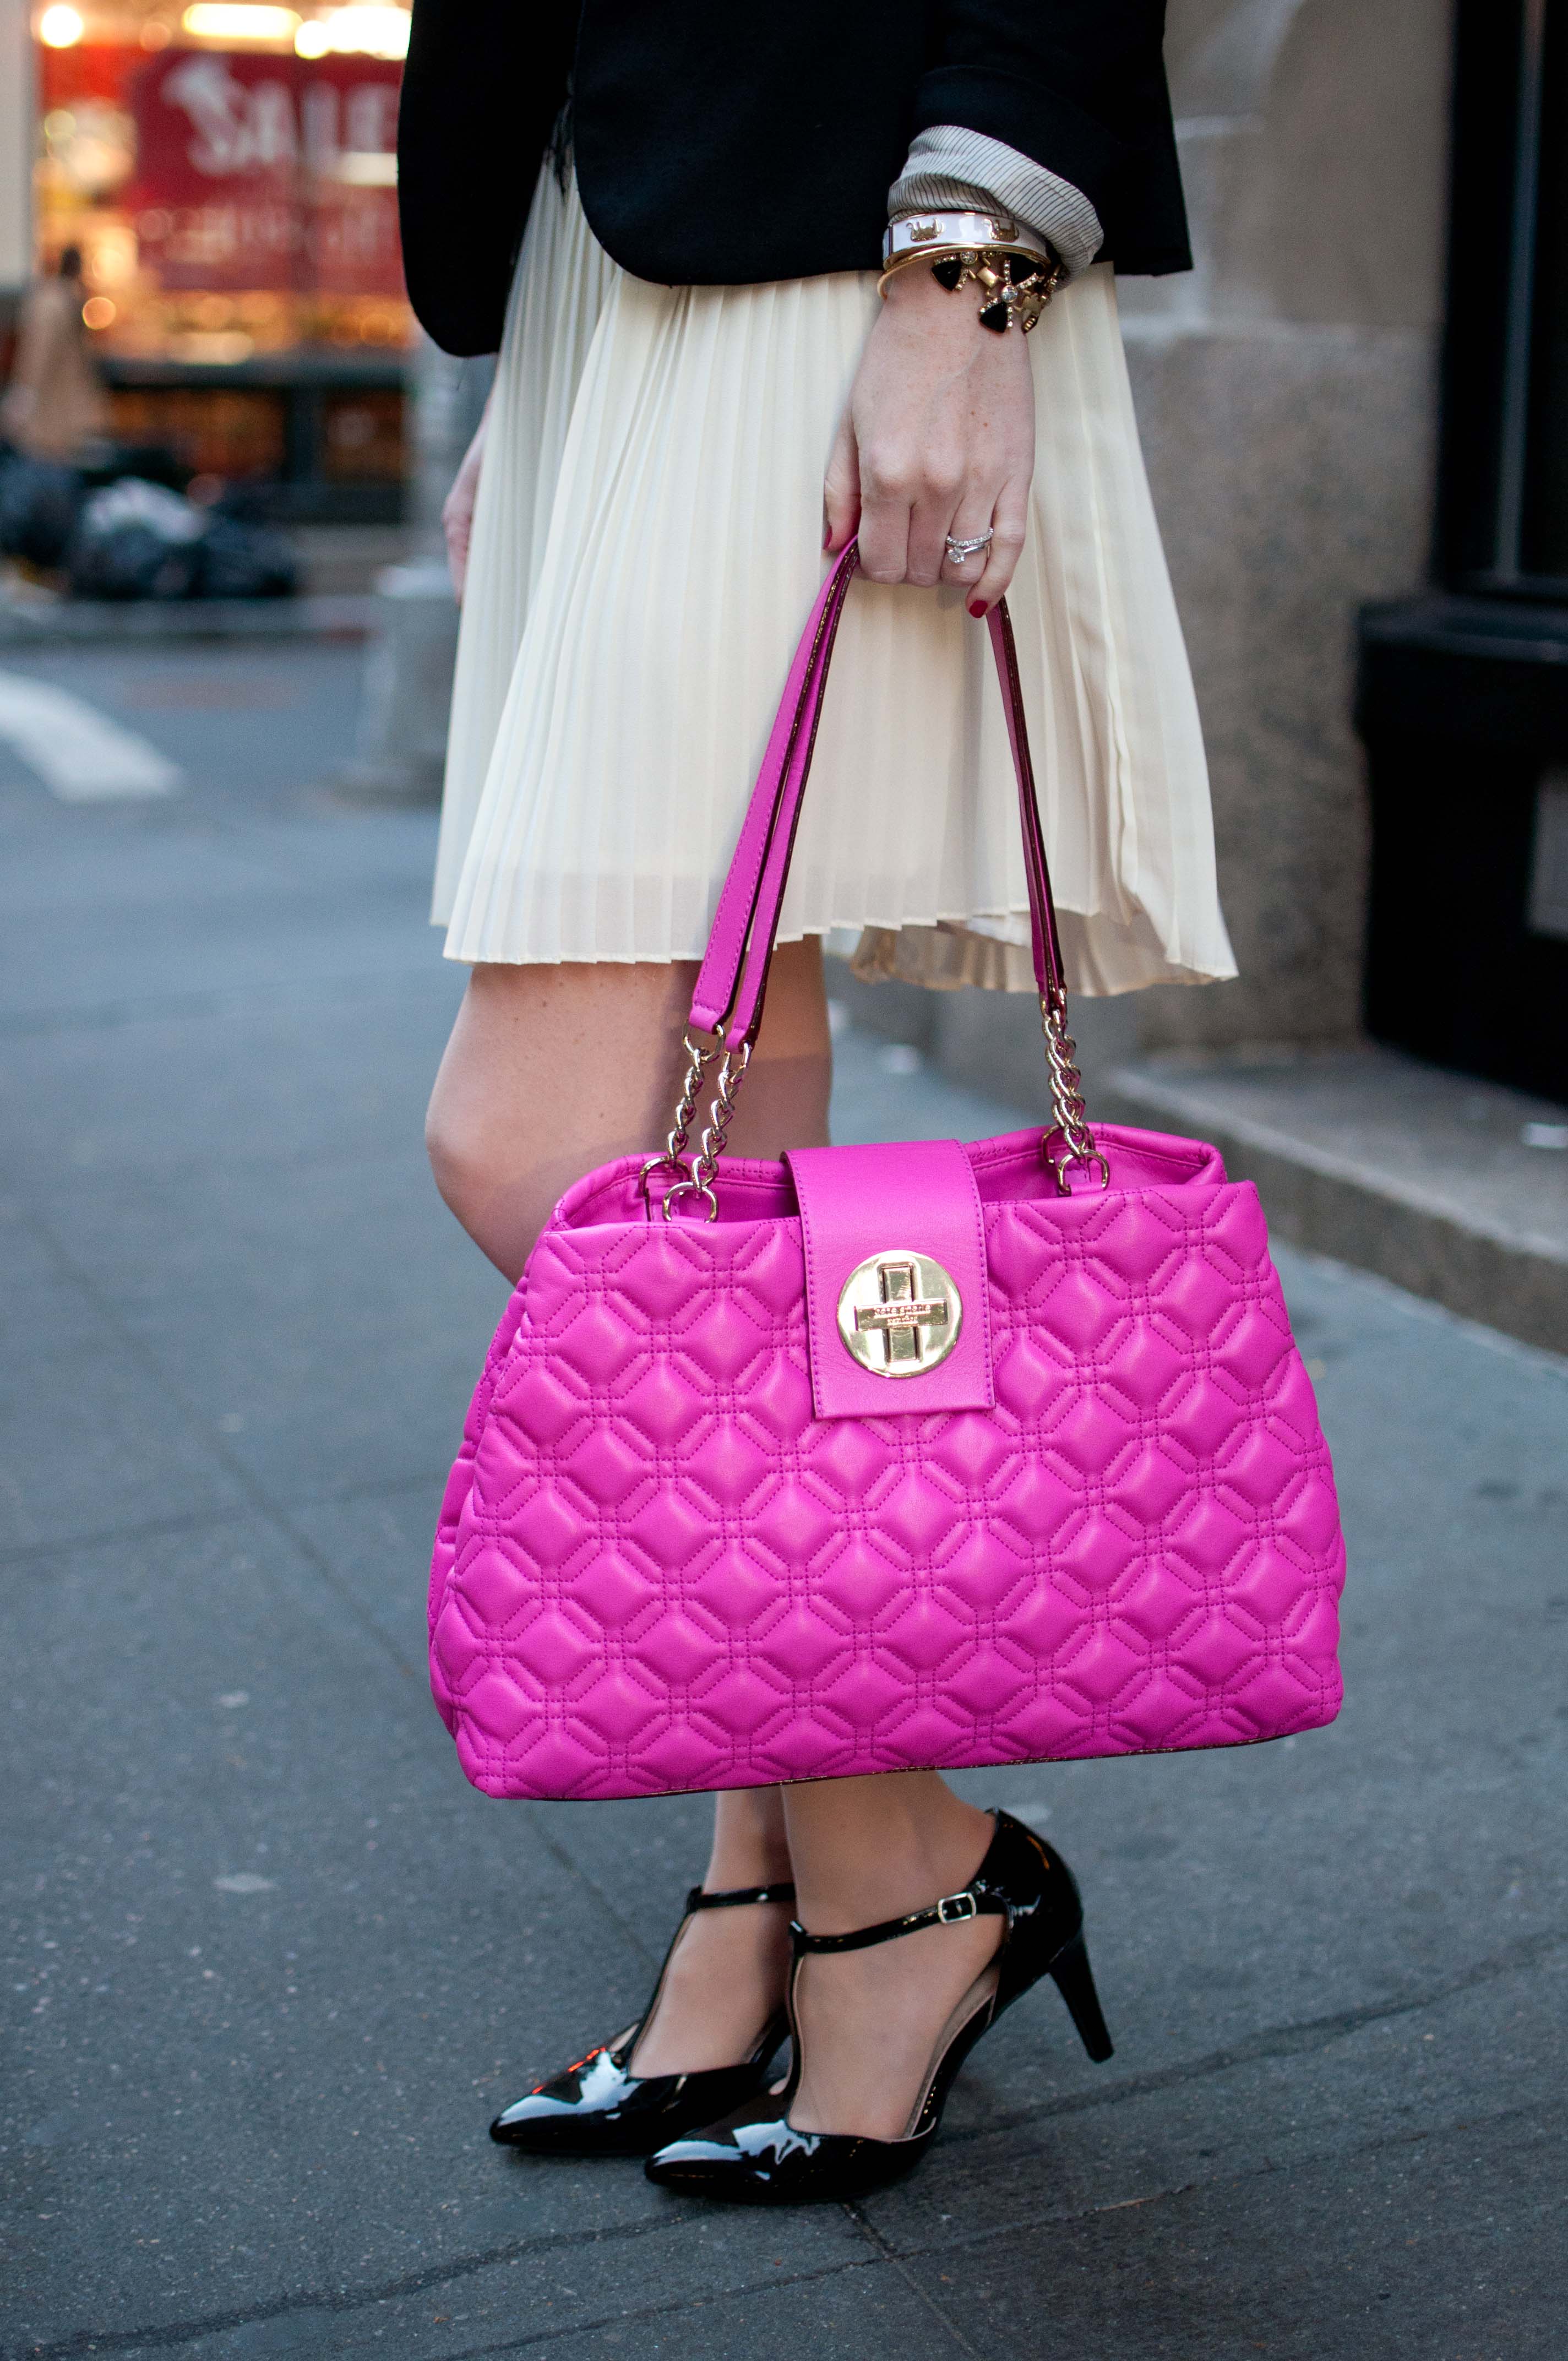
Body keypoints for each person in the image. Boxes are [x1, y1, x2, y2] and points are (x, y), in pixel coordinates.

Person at [400, 1, 1236, 2204]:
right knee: (726, 1119)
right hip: (634, 253)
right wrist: (543, 358)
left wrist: (969, 264)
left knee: (542, 1147)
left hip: (845, 239)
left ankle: (910, 1869)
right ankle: (773, 1892)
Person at [0, 247, 108, 464]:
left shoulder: (50, 301)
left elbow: (37, 361)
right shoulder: (65, 299)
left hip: (52, 426)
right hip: (65, 419)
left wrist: (22, 398)